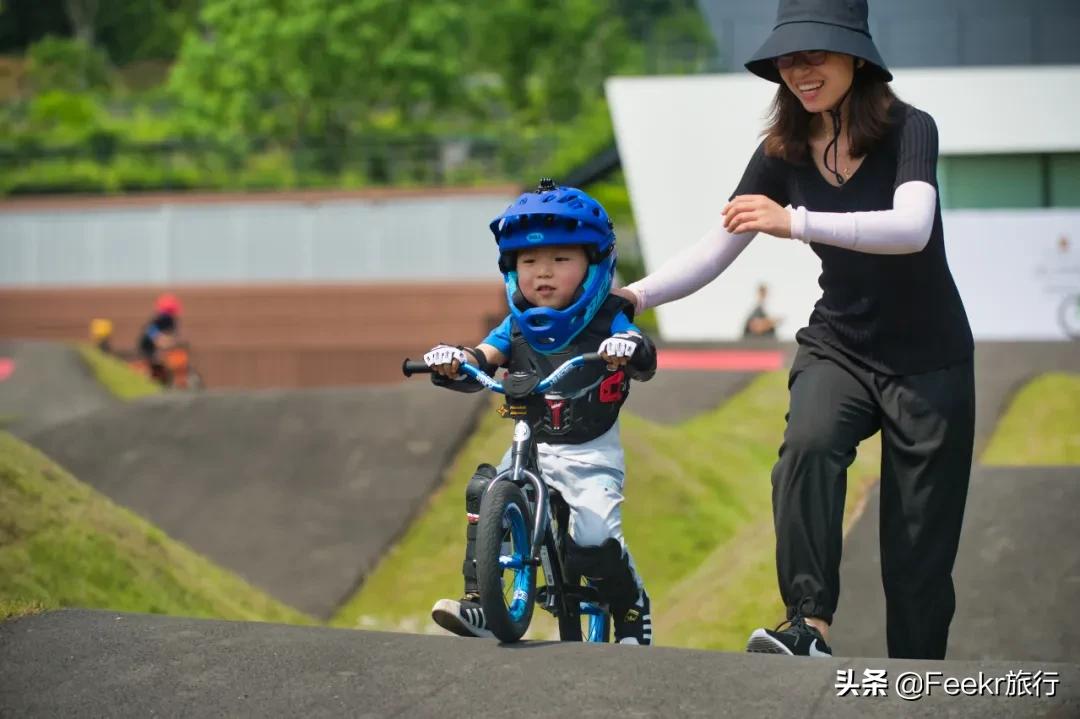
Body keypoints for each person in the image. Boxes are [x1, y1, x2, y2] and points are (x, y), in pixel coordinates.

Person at [614, 0, 974, 659]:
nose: (800, 71)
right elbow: (718, 244)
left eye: (816, 55)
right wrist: (635, 293)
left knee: (917, 549)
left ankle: (915, 684)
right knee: (807, 447)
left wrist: (798, 221)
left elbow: (911, 227)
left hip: (931, 360)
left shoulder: (909, 130)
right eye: (788, 58)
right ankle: (807, 625)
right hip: (841, 343)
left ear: (856, 57)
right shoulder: (781, 149)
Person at [425, 179, 658, 645]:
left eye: (560, 259)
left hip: (591, 454)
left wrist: (626, 346)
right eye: (529, 261)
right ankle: (482, 602)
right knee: (486, 491)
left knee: (592, 545)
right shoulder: (515, 326)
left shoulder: (608, 316)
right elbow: (483, 356)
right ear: (512, 270)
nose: (543, 272)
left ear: (594, 264)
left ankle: (630, 603)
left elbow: (641, 350)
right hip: (533, 445)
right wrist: (456, 360)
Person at [138, 293, 183, 385]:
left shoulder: (172, 322)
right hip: (149, 348)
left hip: (163, 351)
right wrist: (162, 342)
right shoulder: (156, 322)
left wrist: (169, 342)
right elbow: (153, 336)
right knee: (153, 366)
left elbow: (172, 336)